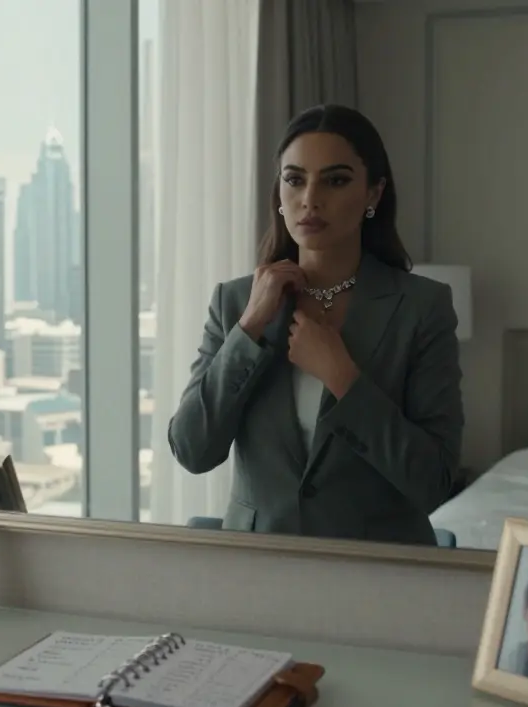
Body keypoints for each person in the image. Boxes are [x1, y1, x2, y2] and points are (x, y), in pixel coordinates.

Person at [167, 105, 464, 546]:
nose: (310, 198)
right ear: (279, 191)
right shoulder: (235, 303)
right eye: (295, 179)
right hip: (256, 567)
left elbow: (433, 482)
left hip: (380, 569)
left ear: (374, 194)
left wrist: (343, 377)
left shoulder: (421, 307)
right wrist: (249, 328)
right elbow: (192, 449)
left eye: (336, 180)